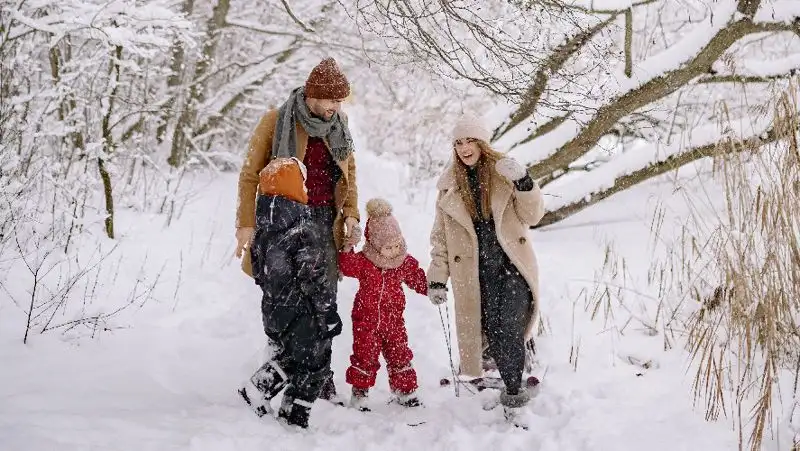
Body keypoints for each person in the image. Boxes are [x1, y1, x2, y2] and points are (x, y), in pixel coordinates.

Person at [234, 57, 361, 401]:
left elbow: (349, 175)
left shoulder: (340, 125)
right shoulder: (277, 121)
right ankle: (279, 373)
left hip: (327, 223)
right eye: (331, 100)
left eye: (340, 101)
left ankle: (320, 380)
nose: (336, 107)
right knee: (287, 304)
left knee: (324, 303)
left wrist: (351, 214)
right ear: (312, 96)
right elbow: (249, 175)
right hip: (284, 222)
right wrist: (245, 224)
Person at [426, 113, 545, 426]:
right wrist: (437, 278)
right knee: (494, 332)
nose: (464, 147)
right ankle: (514, 366)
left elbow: (533, 215)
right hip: (477, 275)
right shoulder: (449, 186)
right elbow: (440, 238)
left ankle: (515, 397)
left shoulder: (504, 171)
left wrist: (523, 181)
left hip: (512, 266)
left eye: (469, 141)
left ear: (482, 143)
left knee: (507, 329)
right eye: (458, 142)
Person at [238, 157, 343, 429]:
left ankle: (266, 395)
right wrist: (327, 311)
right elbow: (314, 277)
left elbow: (258, 272)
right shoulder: (303, 230)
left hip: (274, 309)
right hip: (303, 311)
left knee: (293, 357)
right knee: (315, 363)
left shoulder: (263, 230)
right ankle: (294, 415)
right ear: (296, 188)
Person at [338, 198, 428, 411]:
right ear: (376, 246)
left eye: (397, 243)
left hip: (394, 321)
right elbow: (346, 264)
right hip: (366, 321)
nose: (395, 249)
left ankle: (405, 391)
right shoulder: (365, 262)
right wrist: (349, 244)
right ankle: (360, 393)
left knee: (400, 354)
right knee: (364, 357)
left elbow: (416, 277)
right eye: (389, 247)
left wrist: (432, 287)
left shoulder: (402, 262)